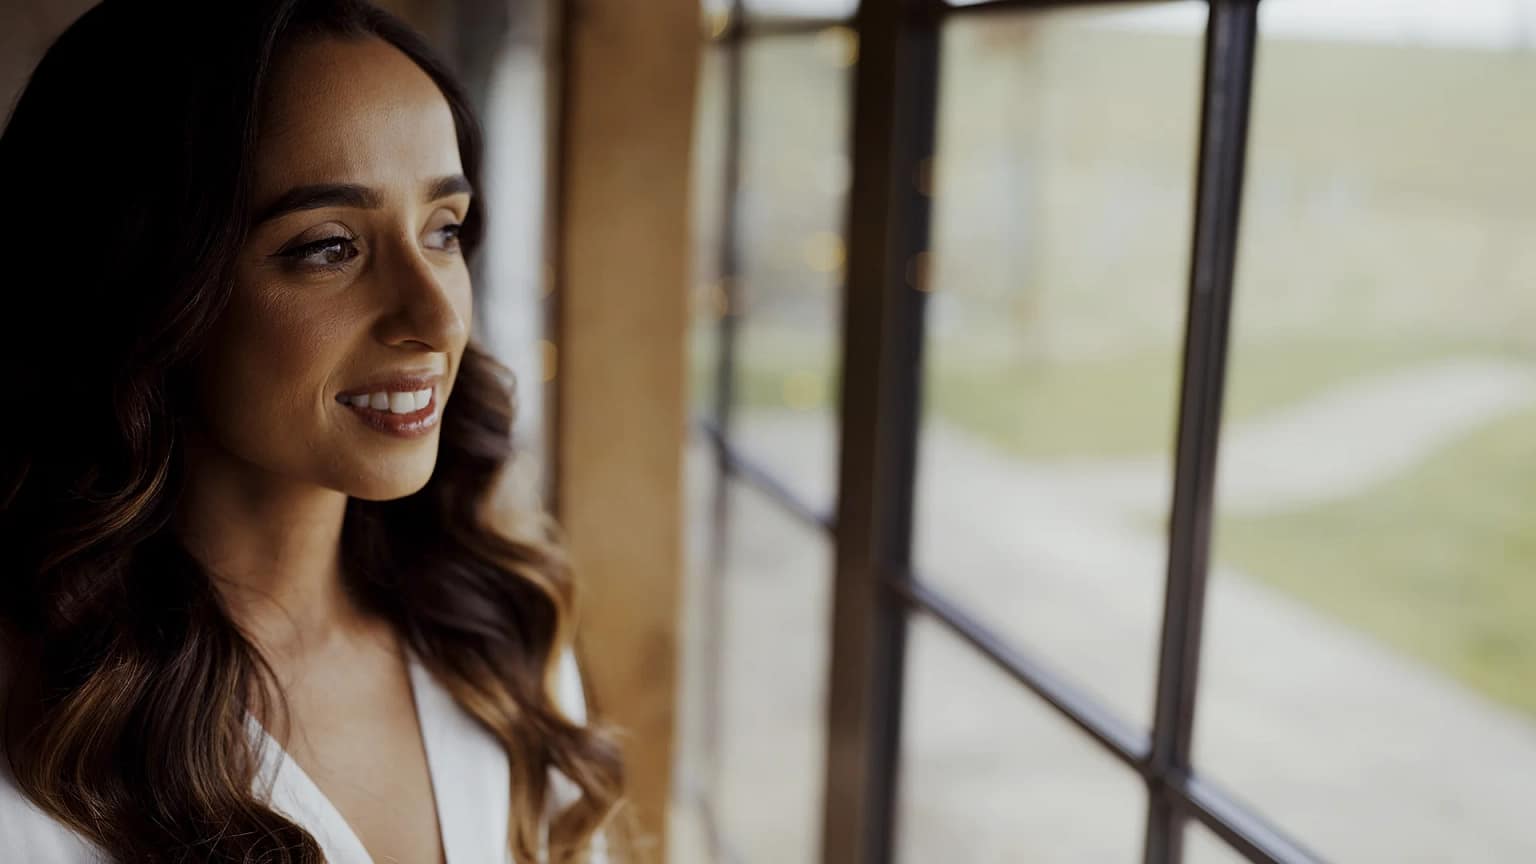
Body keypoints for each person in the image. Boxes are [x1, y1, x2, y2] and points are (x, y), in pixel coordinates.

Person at [0, 1, 623, 861]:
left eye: (444, 230)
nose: (437, 316)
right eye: (329, 247)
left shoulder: (497, 630)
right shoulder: (28, 750)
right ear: (145, 281)